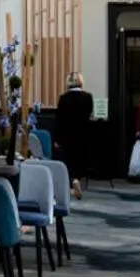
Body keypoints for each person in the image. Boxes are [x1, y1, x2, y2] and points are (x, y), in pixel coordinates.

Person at [55, 71, 93, 199]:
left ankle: (71, 182)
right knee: (80, 159)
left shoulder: (63, 98)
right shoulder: (88, 97)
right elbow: (89, 115)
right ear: (81, 82)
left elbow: (59, 119)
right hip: (83, 134)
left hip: (67, 135)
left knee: (68, 160)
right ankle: (77, 178)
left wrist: (57, 138)